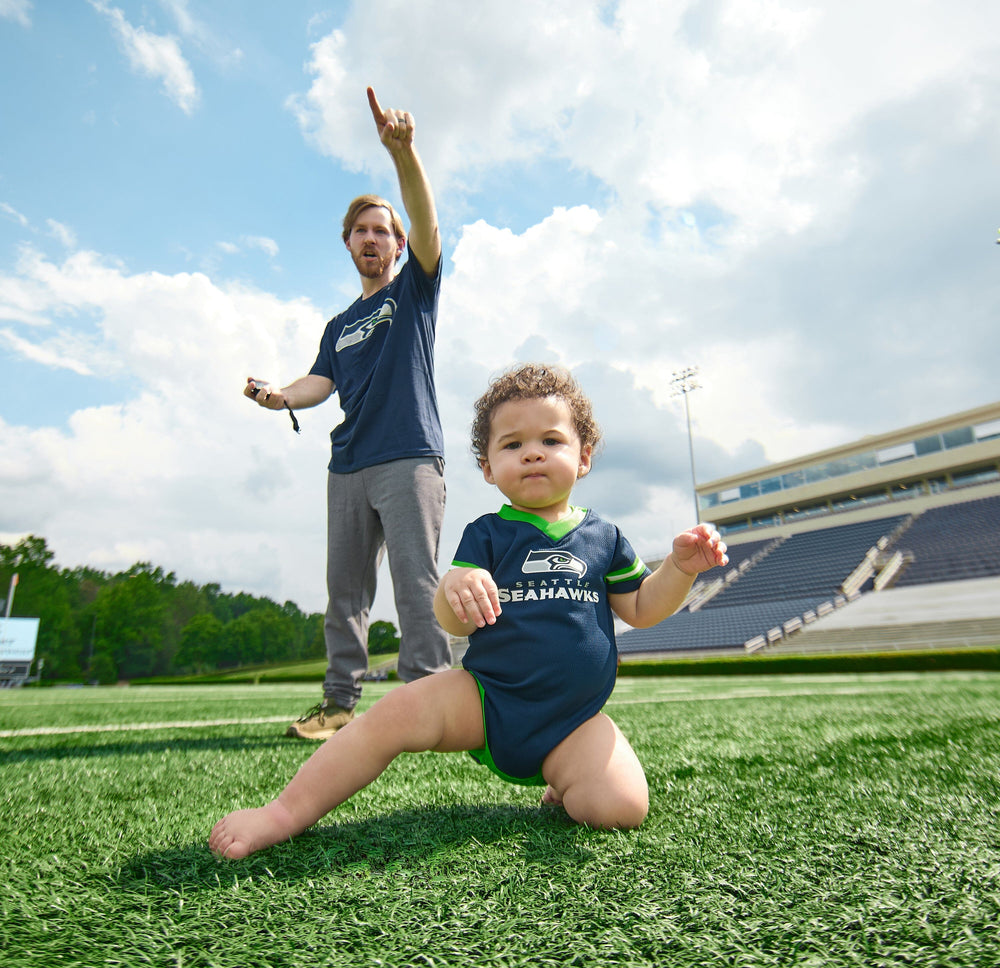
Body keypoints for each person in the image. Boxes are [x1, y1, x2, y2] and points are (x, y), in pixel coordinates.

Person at [210, 364, 728, 859]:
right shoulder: (488, 532)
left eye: (551, 440)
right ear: (487, 467)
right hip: (485, 700)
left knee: (621, 809)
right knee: (391, 715)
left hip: (573, 721)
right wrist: (458, 583)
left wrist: (680, 569)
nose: (532, 454)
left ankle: (566, 776)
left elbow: (640, 607)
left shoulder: (605, 536)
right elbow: (452, 620)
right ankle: (283, 812)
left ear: (584, 455)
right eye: (512, 444)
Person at [245, 87, 451, 740]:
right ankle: (338, 707)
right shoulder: (338, 325)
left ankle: (427, 704)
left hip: (409, 455)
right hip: (348, 464)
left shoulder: (414, 291)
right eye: (361, 230)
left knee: (417, 587)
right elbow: (318, 383)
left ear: (396, 245)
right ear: (347, 243)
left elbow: (427, 221)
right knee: (345, 596)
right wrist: (281, 395)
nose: (372, 238)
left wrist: (404, 154)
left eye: (382, 231)